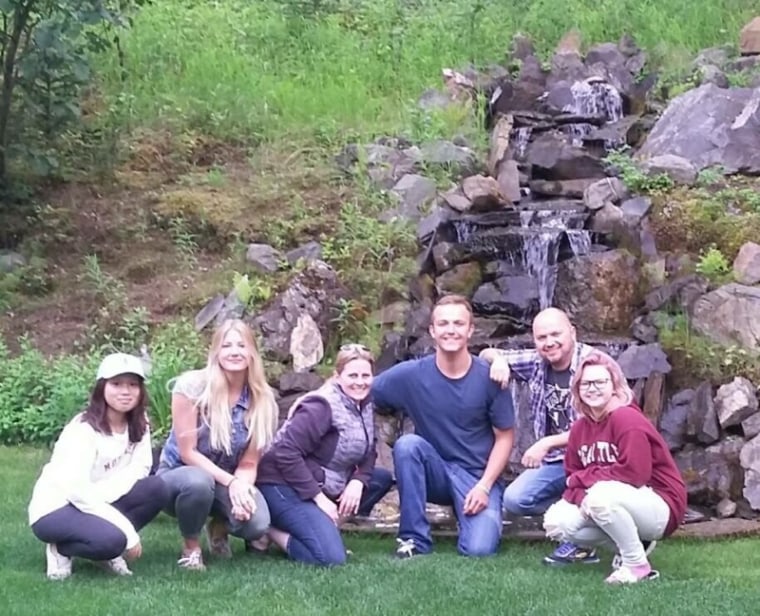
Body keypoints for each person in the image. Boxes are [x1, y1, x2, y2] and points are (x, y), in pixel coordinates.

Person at [372, 294, 515, 558]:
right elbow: (358, 390)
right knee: (407, 445)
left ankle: (470, 515)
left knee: (479, 550)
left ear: (470, 330)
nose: (451, 330)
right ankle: (414, 540)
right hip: (434, 471)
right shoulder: (410, 375)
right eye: (444, 323)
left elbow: (505, 437)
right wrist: (317, 396)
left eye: (459, 324)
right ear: (433, 330)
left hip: (476, 478)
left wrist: (484, 486)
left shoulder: (492, 376)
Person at [542, 350, 687, 584]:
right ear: (577, 389)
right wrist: (582, 498)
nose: (593, 388)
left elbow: (635, 474)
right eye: (586, 383)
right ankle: (637, 545)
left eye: (600, 382)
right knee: (557, 522)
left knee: (599, 495)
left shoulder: (626, 419)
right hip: (615, 498)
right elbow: (572, 476)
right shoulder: (580, 428)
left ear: (615, 386)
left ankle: (636, 565)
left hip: (660, 504)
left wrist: (585, 486)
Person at [29, 352, 168, 580]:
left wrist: (107, 494)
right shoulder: (83, 429)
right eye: (116, 384)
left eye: (133, 385)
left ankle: (104, 542)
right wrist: (128, 532)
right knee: (114, 541)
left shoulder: (139, 423)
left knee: (156, 488)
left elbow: (141, 467)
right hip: (56, 508)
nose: (125, 391)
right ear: (101, 387)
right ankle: (61, 549)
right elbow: (77, 491)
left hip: (95, 498)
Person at [479, 307, 598, 566]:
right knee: (515, 500)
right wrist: (498, 360)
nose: (549, 342)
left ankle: (585, 540)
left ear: (572, 333)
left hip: (595, 461)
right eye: (541, 337)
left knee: (598, 497)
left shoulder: (594, 365)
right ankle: (577, 515)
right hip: (558, 462)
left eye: (556, 334)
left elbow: (598, 425)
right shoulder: (536, 361)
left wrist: (546, 442)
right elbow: (486, 353)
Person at [157, 318, 279, 571]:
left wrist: (242, 489)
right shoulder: (192, 387)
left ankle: (218, 526)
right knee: (199, 482)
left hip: (224, 481)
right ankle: (191, 547)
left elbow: (248, 461)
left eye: (241, 345)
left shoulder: (263, 399)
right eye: (227, 346)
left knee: (257, 523)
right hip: (179, 480)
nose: (234, 351)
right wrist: (232, 483)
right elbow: (188, 452)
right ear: (216, 352)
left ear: (252, 353)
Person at [256, 344, 393, 566]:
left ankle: (323, 529)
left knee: (378, 479)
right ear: (337, 377)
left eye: (366, 375)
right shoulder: (320, 406)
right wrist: (319, 499)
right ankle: (268, 531)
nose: (360, 381)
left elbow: (370, 449)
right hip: (281, 484)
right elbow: (286, 452)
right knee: (330, 558)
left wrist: (358, 482)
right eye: (353, 375)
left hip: (325, 480)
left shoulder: (364, 403)